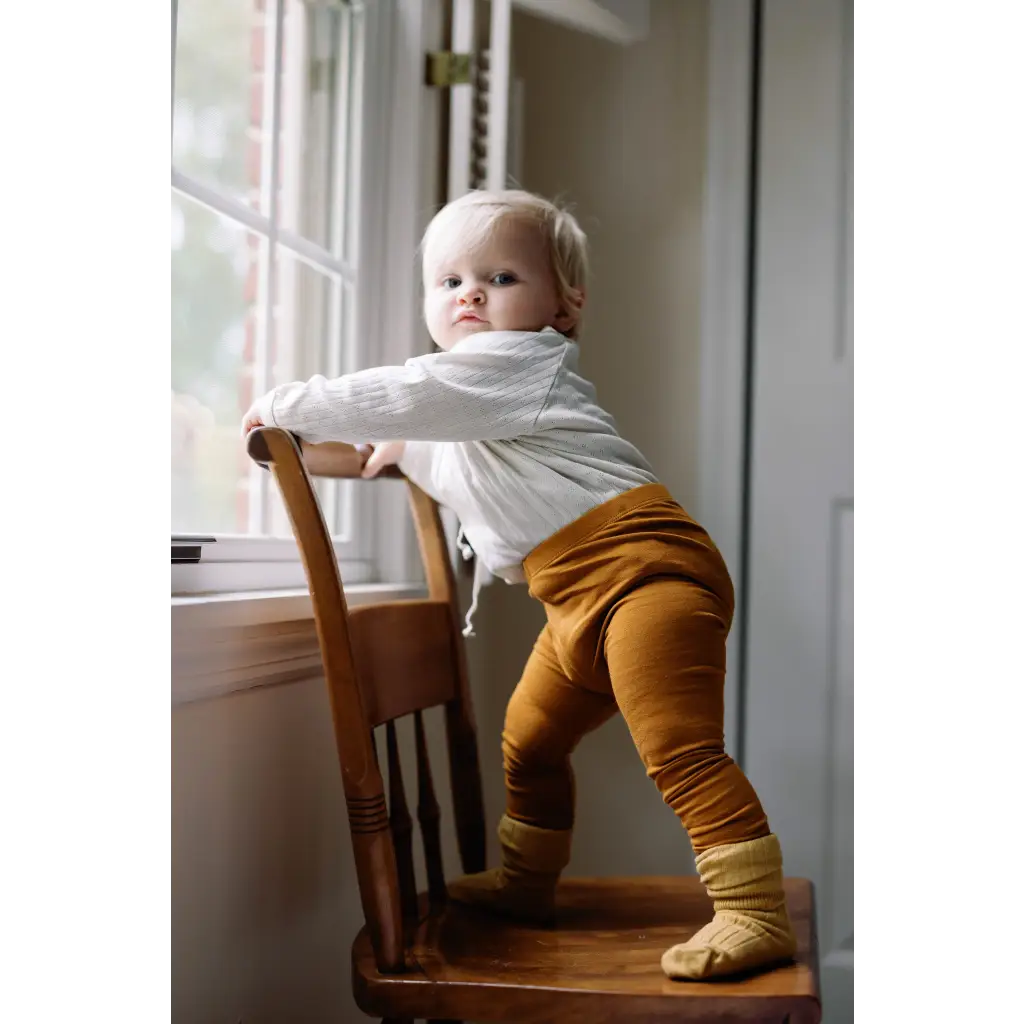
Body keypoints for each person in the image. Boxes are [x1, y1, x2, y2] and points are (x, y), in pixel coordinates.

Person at [241, 189, 797, 981]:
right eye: (449, 281)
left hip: (647, 578)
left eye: (499, 277)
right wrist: (340, 447)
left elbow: (407, 394)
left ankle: (754, 910)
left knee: (679, 749)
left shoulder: (516, 366)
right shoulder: (470, 408)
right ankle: (528, 883)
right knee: (529, 742)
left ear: (564, 306)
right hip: (574, 598)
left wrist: (285, 404)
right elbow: (401, 444)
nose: (469, 293)